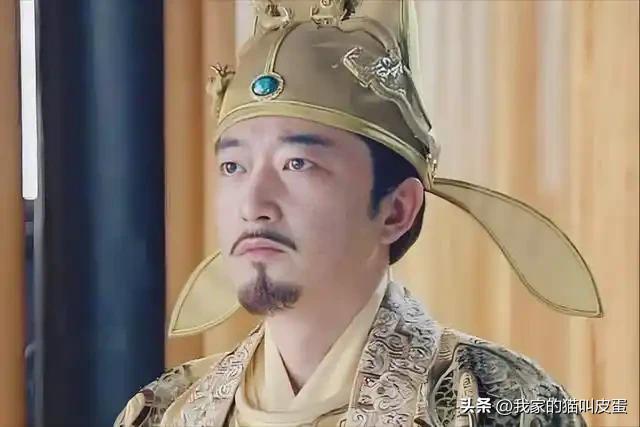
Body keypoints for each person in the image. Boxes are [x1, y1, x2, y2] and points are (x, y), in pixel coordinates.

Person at [115, 1, 603, 425]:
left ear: (396, 210)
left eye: (297, 163)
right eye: (233, 166)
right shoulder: (167, 411)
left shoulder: (497, 406)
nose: (252, 204)